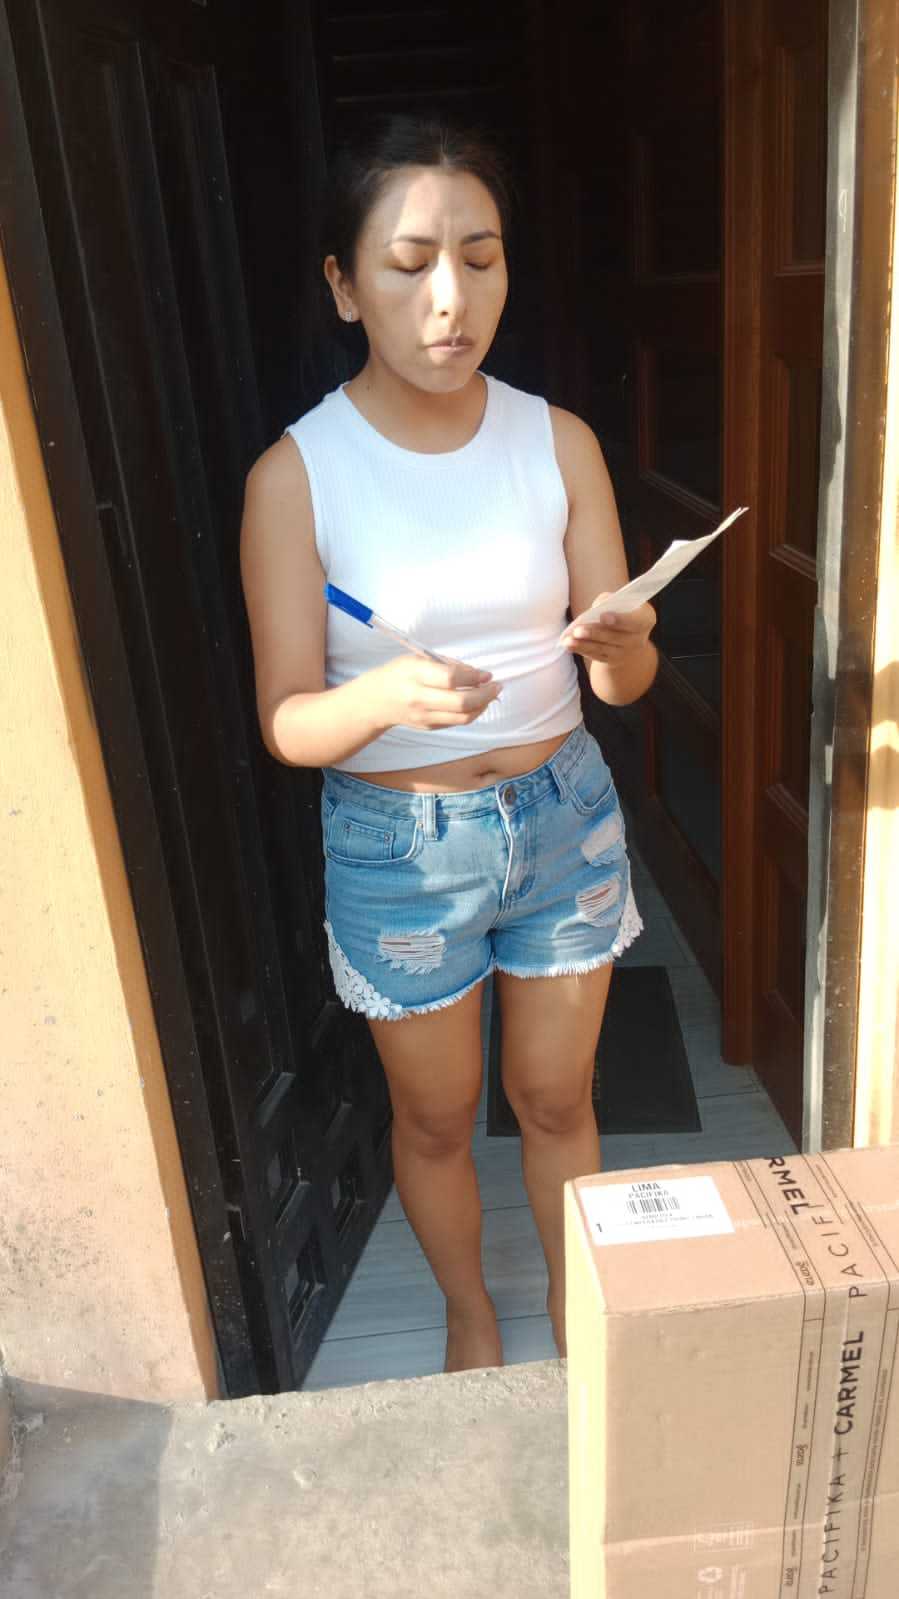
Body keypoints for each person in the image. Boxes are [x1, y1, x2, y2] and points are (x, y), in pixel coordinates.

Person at [239, 114, 658, 1375]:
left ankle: (580, 1313)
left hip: (561, 815)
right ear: (342, 285)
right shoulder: (297, 477)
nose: (449, 300)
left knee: (555, 1097)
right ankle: (469, 1311)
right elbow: (288, 723)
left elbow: (624, 683)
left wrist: (622, 643)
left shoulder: (558, 441)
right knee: (433, 1119)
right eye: (410, 263)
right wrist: (381, 700)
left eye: (479, 260)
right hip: (398, 847)